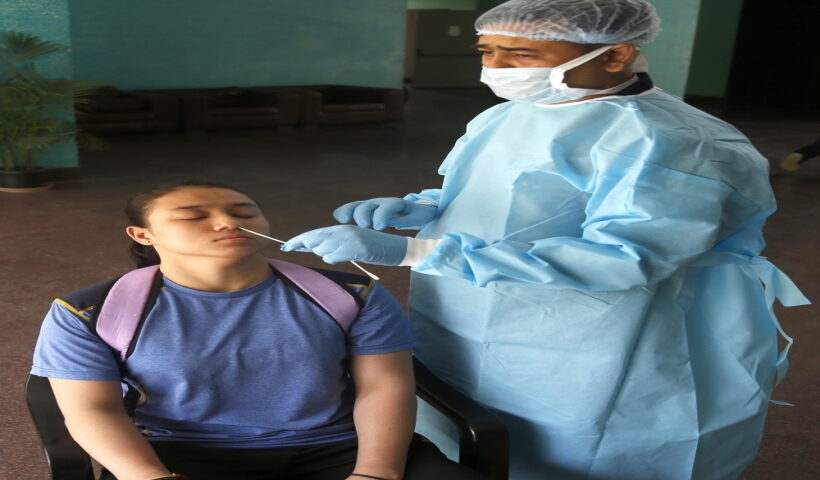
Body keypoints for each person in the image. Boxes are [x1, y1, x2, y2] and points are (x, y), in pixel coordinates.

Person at [282, 1, 810, 479]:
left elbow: (626, 256)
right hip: (477, 305)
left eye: (521, 53)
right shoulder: (515, 111)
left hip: (608, 332)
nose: (497, 68)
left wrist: (416, 251)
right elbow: (508, 191)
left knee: (587, 444)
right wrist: (424, 206)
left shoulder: (670, 140)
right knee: (469, 417)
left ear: (616, 54)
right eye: (488, 50)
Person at [31, 181, 487, 480]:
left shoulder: (351, 294)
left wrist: (374, 474)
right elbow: (92, 410)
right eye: (193, 216)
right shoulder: (88, 311)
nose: (229, 222)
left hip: (340, 446)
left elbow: (384, 386)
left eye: (244, 212)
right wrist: (150, 478)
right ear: (142, 235)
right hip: (182, 455)